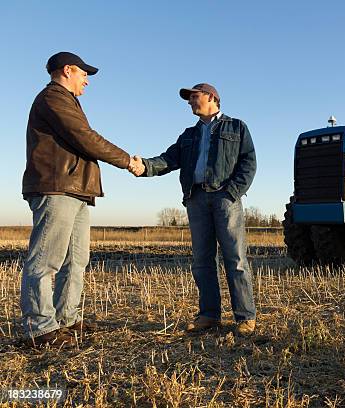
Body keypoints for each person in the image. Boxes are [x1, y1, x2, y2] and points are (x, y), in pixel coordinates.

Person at [21, 51, 141, 347]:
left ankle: (68, 319)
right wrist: (127, 161)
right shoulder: (54, 98)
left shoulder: (67, 101)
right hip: (57, 187)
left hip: (76, 189)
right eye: (84, 73)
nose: (87, 80)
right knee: (46, 260)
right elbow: (85, 136)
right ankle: (41, 329)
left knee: (75, 260)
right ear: (68, 70)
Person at [130, 83, 257, 336]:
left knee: (236, 258)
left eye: (194, 97)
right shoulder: (188, 134)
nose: (189, 101)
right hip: (196, 198)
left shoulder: (237, 127)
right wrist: (144, 166)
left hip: (225, 198)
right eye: (188, 98)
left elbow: (249, 162)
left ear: (212, 97)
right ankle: (209, 315)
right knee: (202, 261)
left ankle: (245, 317)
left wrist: (232, 193)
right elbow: (168, 159)